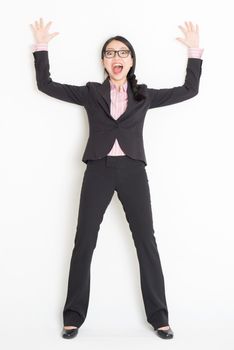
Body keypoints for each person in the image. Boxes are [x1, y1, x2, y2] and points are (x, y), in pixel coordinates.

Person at [30, 18, 203, 340]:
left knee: (146, 242)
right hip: (97, 169)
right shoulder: (90, 92)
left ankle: (160, 318)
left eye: (122, 52)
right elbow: (46, 85)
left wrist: (194, 51)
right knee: (84, 242)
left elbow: (189, 90)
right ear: (103, 61)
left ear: (131, 60)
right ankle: (73, 317)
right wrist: (41, 47)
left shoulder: (144, 96)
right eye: (110, 53)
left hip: (133, 172)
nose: (116, 57)